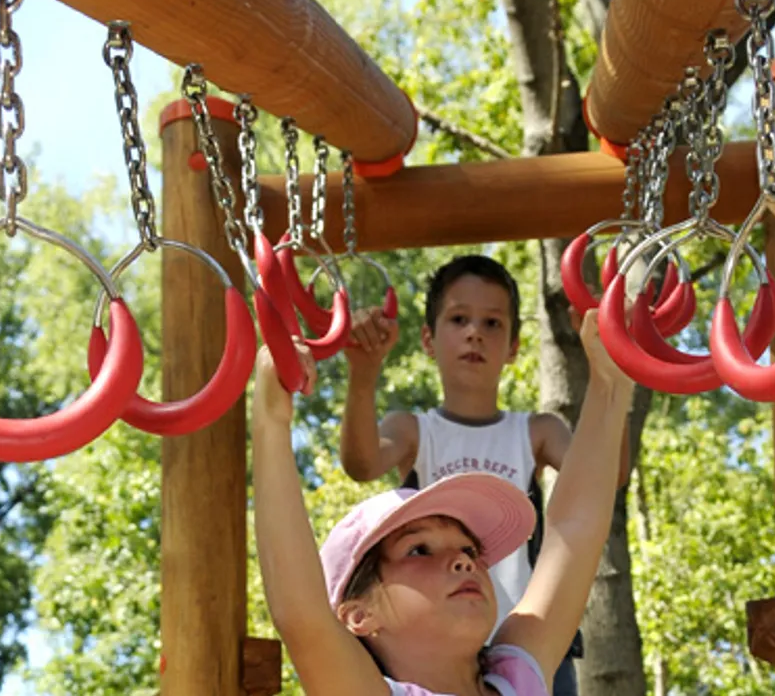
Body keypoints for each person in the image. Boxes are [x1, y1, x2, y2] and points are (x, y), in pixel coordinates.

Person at [251, 309, 635, 695]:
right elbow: (300, 612)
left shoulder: (516, 679)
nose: (464, 560)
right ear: (358, 614)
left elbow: (574, 531)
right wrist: (270, 419)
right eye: (418, 549)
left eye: (469, 548)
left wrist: (610, 379)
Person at [339, 255, 631, 694]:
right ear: (428, 339)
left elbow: (605, 478)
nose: (475, 331)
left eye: (492, 323)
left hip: (529, 634)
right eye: (458, 318)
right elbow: (361, 464)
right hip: (440, 640)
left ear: (514, 346)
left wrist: (614, 369)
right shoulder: (413, 430)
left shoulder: (536, 431)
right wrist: (363, 374)